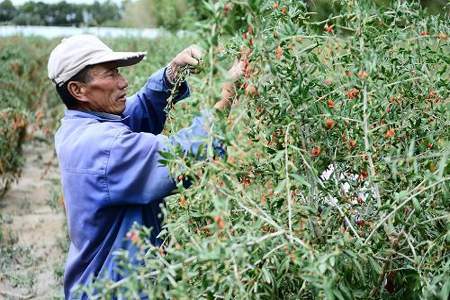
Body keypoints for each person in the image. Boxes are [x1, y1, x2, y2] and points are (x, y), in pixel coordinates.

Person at [47, 34, 242, 299]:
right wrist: (227, 95)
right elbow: (180, 155)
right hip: (114, 290)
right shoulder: (102, 146)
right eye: (110, 75)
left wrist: (171, 75)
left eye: (118, 72)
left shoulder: (79, 127)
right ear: (77, 90)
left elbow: (132, 115)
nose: (123, 82)